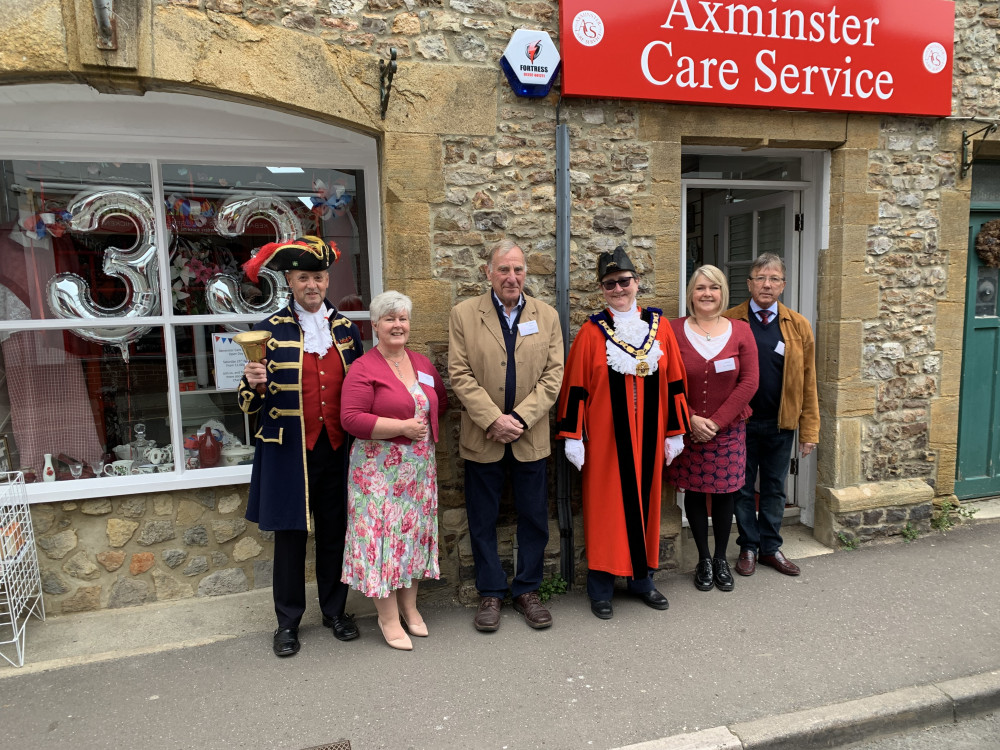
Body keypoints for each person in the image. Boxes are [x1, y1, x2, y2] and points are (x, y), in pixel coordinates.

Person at [238, 236, 363, 658]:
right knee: (291, 538)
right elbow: (246, 402)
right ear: (290, 281)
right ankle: (287, 622)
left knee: (335, 533)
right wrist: (254, 384)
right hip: (291, 451)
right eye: (304, 277)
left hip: (337, 449)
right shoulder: (269, 333)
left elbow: (363, 387)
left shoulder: (346, 331)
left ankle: (335, 611)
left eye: (320, 276)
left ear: (328, 280)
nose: (313, 284)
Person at [556, 246, 691, 620]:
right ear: (602, 289)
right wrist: (573, 436)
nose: (619, 288)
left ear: (636, 283)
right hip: (606, 441)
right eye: (611, 283)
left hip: (648, 437)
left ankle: (641, 580)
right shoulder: (591, 332)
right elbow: (575, 387)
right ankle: (600, 586)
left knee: (646, 508)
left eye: (624, 281)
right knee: (605, 510)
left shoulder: (660, 327)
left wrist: (674, 431)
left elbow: (676, 380)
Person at [448, 239, 564, 632]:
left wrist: (520, 417)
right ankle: (491, 592)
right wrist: (492, 419)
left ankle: (528, 590)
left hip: (530, 435)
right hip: (484, 435)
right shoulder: (464, 314)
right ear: (488, 273)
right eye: (503, 269)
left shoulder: (546, 315)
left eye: (518, 270)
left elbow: (554, 376)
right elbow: (459, 373)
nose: (511, 277)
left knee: (534, 516)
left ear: (525, 274)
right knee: (482, 519)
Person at [340, 291, 448, 651]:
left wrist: (419, 429)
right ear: (375, 326)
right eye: (389, 319)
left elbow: (440, 403)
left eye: (402, 318)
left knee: (410, 539)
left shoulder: (421, 363)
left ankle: (410, 608)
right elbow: (351, 419)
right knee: (382, 543)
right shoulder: (364, 367)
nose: (397, 325)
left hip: (417, 472)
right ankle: (387, 619)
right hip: (377, 474)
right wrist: (400, 427)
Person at [723, 252, 819, 577]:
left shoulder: (798, 325)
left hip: (782, 423)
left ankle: (770, 547)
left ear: (783, 285)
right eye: (760, 278)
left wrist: (809, 430)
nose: (767, 284)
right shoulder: (730, 321)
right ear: (749, 283)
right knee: (743, 487)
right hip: (742, 423)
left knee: (776, 487)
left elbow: (809, 381)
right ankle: (748, 546)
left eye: (774, 278)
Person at [667, 265, 758, 592]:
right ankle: (703, 559)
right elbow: (666, 380)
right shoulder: (672, 330)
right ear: (691, 293)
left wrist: (717, 422)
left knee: (725, 496)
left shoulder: (740, 331)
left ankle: (721, 558)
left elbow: (749, 381)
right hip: (688, 428)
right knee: (694, 492)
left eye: (714, 287)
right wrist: (690, 418)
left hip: (729, 429)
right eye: (701, 287)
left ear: (723, 293)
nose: (707, 293)